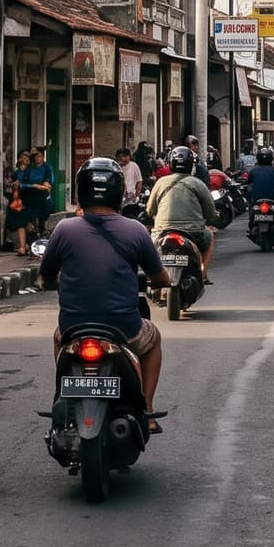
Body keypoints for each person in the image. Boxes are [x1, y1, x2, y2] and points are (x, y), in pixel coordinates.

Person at [38, 156, 169, 423]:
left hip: (74, 327)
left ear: (81, 191)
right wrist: (156, 283)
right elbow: (161, 278)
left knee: (57, 338)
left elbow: (46, 276)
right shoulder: (135, 231)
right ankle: (147, 409)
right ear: (120, 192)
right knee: (153, 339)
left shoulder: (64, 229)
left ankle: (63, 396)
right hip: (124, 328)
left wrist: (56, 284)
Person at [148, 146, 218, 280]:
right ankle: (202, 275)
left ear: (170, 164)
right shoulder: (197, 183)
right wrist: (213, 217)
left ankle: (153, 276)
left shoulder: (160, 182)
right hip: (194, 232)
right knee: (209, 235)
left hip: (162, 231)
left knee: (151, 248)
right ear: (191, 164)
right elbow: (210, 212)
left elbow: (150, 209)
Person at [17, 146, 54, 252]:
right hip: (30, 197)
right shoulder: (29, 168)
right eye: (36, 156)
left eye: (40, 156)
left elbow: (49, 184)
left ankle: (43, 246)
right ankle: (32, 247)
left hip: (42, 197)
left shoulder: (47, 167)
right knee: (30, 224)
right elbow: (22, 183)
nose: (38, 158)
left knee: (43, 222)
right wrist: (34, 186)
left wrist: (44, 186)